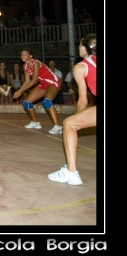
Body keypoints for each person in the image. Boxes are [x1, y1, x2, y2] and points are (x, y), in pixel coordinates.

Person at [48, 34, 97, 186]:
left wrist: (78, 120)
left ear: (83, 48)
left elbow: (83, 100)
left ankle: (71, 172)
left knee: (69, 123)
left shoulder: (81, 67)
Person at [12, 48, 62, 134]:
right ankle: (35, 123)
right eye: (21, 54)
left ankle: (57, 126)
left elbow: (34, 80)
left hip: (52, 82)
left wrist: (21, 91)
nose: (22, 56)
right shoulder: (25, 66)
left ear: (30, 56)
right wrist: (19, 90)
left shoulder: (36, 63)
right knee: (27, 102)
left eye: (25, 54)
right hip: (43, 84)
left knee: (47, 101)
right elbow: (27, 81)